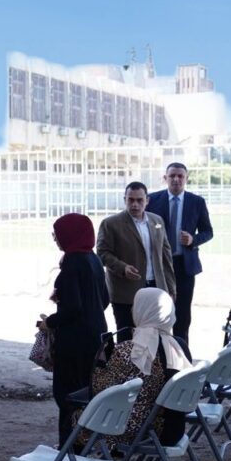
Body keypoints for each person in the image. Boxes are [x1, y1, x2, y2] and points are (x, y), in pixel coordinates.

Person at [89, 288, 192, 447]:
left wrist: (101, 364)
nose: (131, 310)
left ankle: (78, 460)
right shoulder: (180, 346)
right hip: (174, 429)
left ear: (142, 310)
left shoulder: (132, 350)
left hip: (139, 431)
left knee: (76, 416)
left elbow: (100, 392)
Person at [42, 213, 109, 447]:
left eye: (57, 234)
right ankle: (84, 443)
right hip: (96, 335)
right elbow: (104, 300)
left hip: (75, 341)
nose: (55, 239)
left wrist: (50, 322)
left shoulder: (73, 262)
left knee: (68, 395)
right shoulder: (94, 259)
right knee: (85, 391)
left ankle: (69, 449)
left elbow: (72, 308)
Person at [96, 182, 176, 342]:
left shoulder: (157, 221)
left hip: (156, 289)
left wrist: (170, 289)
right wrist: (123, 267)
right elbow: (102, 253)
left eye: (139, 200)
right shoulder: (110, 223)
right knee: (127, 338)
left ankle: (153, 360)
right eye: (130, 200)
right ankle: (126, 360)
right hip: (125, 292)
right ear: (124, 200)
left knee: (156, 336)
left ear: (147, 200)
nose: (135, 204)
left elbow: (166, 256)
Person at [146, 163, 213, 344]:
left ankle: (181, 352)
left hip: (184, 265)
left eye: (180, 176)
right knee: (158, 312)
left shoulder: (197, 202)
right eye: (172, 176)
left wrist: (193, 239)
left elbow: (208, 232)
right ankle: (159, 353)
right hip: (158, 266)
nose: (176, 179)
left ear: (186, 178)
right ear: (165, 178)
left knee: (182, 314)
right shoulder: (152, 200)